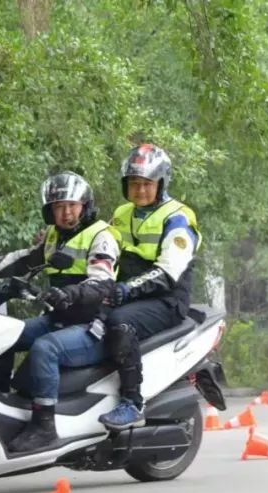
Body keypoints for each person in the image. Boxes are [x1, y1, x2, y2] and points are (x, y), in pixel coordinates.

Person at [0, 171, 121, 454]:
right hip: (59, 319)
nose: (65, 212)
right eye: (58, 207)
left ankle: (44, 427)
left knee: (45, 349)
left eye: (71, 205)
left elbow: (102, 282)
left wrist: (71, 293)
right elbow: (26, 259)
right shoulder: (54, 236)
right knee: (0, 335)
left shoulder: (101, 236)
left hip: (92, 326)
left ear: (84, 206)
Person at [97, 143, 201, 431]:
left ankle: (132, 402)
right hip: (128, 292)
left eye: (146, 183)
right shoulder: (121, 214)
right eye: (133, 183)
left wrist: (126, 290)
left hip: (167, 298)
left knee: (120, 323)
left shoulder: (178, 217)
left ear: (161, 183)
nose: (139, 190)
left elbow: (169, 272)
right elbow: (103, 248)